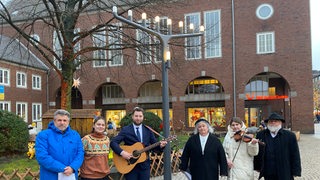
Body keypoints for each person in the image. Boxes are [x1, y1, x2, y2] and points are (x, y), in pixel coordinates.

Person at [110, 107, 167, 180]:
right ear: (132, 117)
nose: (138, 118)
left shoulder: (148, 130)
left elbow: (155, 146)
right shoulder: (126, 130)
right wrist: (122, 153)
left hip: (144, 166)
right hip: (129, 164)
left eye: (140, 116)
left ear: (143, 117)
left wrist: (161, 146)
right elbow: (113, 142)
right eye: (136, 116)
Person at [35, 109, 84, 180]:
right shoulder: (43, 135)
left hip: (70, 175)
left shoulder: (75, 135)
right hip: (50, 176)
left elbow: (80, 153)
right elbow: (42, 156)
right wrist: (62, 168)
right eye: (59, 120)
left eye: (65, 120)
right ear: (54, 121)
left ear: (68, 122)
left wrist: (73, 167)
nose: (62, 123)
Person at [254, 112, 301, 180]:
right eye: (271, 121)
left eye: (275, 121)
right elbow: (258, 152)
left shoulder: (290, 136)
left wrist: (296, 171)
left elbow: (295, 154)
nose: (273, 123)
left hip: (285, 170)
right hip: (268, 171)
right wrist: (258, 166)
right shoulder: (261, 135)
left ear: (280, 123)